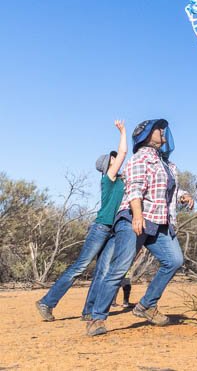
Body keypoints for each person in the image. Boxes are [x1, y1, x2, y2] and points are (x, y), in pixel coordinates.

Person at [85, 119, 195, 336]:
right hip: (136, 219)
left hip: (160, 221)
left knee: (174, 260)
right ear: (145, 135)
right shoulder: (139, 158)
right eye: (157, 129)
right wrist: (137, 215)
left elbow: (170, 190)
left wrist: (184, 196)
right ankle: (96, 319)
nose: (162, 131)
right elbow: (134, 188)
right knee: (119, 268)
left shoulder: (168, 164)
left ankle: (146, 305)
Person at [36, 120, 128, 322]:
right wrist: (122, 131)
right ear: (109, 164)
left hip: (114, 230)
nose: (117, 158)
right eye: (113, 158)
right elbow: (123, 153)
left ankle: (89, 311)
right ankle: (46, 302)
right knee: (80, 267)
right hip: (101, 228)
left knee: (103, 271)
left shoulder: (122, 181)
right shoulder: (109, 178)